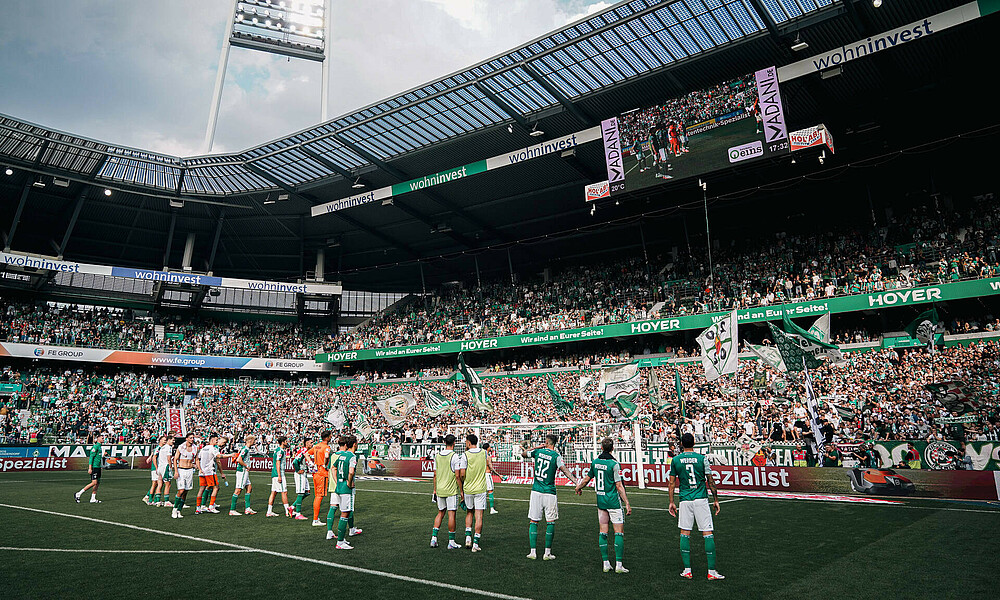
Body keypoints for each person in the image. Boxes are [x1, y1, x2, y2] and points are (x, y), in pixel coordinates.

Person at [668, 433, 724, 580]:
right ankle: (711, 572)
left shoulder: (675, 460)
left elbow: (672, 483)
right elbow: (710, 481)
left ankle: (687, 570)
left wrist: (671, 501)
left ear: (681, 443)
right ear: (694, 443)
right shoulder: (702, 459)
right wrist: (716, 499)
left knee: (685, 532)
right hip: (701, 499)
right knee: (707, 532)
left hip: (685, 499)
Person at [575, 437, 632, 573]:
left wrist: (578, 487)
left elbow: (587, 479)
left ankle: (606, 563)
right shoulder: (614, 464)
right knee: (618, 532)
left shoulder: (595, 462)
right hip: (613, 502)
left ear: (601, 448)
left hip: (601, 502)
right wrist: (627, 503)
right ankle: (618, 565)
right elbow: (619, 485)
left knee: (603, 532)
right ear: (612, 448)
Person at [521, 434, 579, 561]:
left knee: (533, 521)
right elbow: (565, 470)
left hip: (536, 491)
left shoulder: (538, 452)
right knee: (550, 522)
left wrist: (536, 447)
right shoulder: (556, 456)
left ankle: (533, 552)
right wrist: (576, 483)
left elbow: (524, 454)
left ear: (546, 442)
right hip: (550, 492)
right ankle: (547, 553)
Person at [430, 434, 465, 550]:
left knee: (440, 512)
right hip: (451, 490)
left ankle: (434, 539)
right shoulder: (455, 456)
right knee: (451, 514)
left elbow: (434, 475)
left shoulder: (438, 456)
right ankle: (451, 541)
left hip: (440, 489)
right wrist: (461, 491)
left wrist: (434, 489)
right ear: (454, 443)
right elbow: (457, 475)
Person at [326, 435, 358, 550]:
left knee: (344, 512)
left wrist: (336, 480)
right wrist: (349, 483)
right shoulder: (352, 456)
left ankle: (341, 538)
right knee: (345, 513)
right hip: (345, 489)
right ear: (354, 444)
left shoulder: (341, 455)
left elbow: (333, 468)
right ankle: (340, 542)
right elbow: (351, 471)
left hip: (338, 487)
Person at [462, 434, 488, 552]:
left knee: (469, 512)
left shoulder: (465, 455)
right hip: (480, 489)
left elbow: (462, 473)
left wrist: (463, 484)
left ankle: (468, 538)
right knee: (479, 515)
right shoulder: (484, 453)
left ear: (468, 442)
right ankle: (476, 544)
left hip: (468, 488)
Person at [195, 435, 226, 514]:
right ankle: (210, 506)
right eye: (216, 440)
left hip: (203, 472)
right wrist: (230, 455)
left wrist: (200, 469)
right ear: (212, 440)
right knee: (215, 487)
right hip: (210, 472)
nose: (217, 441)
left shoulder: (203, 449)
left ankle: (199, 507)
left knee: (203, 488)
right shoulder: (214, 448)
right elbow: (218, 459)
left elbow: (197, 459)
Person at [171, 433, 198, 519]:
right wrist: (176, 471)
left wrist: (198, 467)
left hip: (190, 470)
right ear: (186, 439)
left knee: (186, 492)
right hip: (181, 470)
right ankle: (174, 509)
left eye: (193, 438)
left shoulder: (195, 448)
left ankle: (179, 510)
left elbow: (196, 459)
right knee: (181, 490)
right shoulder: (181, 447)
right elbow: (175, 459)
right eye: (190, 438)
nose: (192, 439)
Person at [309, 430, 333, 526]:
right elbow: (327, 455)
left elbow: (307, 453)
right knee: (319, 496)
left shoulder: (316, 446)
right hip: (322, 473)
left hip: (316, 472)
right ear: (327, 438)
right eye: (330, 436)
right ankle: (315, 519)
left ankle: (316, 518)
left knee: (317, 496)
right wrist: (325, 463)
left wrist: (311, 463)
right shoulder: (326, 447)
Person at [74, 431, 105, 504]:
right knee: (94, 482)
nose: (103, 438)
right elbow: (91, 457)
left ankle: (93, 498)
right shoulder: (95, 447)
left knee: (97, 483)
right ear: (98, 438)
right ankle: (78, 494)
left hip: (98, 467)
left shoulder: (100, 447)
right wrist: (90, 468)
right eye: (102, 437)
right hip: (94, 467)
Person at [266, 436, 293, 518]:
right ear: (283, 442)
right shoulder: (280, 451)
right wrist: (279, 475)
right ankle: (287, 511)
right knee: (284, 492)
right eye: (286, 441)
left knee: (273, 492)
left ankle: (269, 511)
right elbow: (278, 462)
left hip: (274, 474)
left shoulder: (277, 450)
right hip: (278, 474)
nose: (287, 443)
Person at [230, 434, 256, 515]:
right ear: (250, 441)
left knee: (249, 488)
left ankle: (247, 508)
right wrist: (246, 465)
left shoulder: (246, 448)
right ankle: (232, 510)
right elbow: (239, 459)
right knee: (238, 490)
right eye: (254, 441)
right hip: (242, 471)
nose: (254, 442)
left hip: (245, 472)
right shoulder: (245, 449)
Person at [291, 437, 313, 520]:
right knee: (300, 493)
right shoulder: (303, 450)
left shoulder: (305, 451)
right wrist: (298, 470)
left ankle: (292, 507)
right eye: (311, 443)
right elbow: (295, 462)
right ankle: (298, 513)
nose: (312, 444)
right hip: (300, 474)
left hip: (304, 474)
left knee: (307, 492)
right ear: (306, 443)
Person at [150, 435, 174, 507]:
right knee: (168, 484)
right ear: (168, 440)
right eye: (173, 440)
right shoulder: (168, 447)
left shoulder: (161, 448)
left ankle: (157, 501)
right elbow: (169, 458)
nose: (174, 441)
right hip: (165, 467)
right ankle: (166, 501)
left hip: (160, 467)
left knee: (160, 484)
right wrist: (170, 466)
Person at [482, 442, 499, 515]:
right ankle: (492, 509)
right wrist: (499, 475)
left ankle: (482, 506)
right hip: (487, 474)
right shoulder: (488, 457)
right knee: (490, 491)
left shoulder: (481, 456)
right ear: (488, 448)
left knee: (482, 491)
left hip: (481, 474)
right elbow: (491, 468)